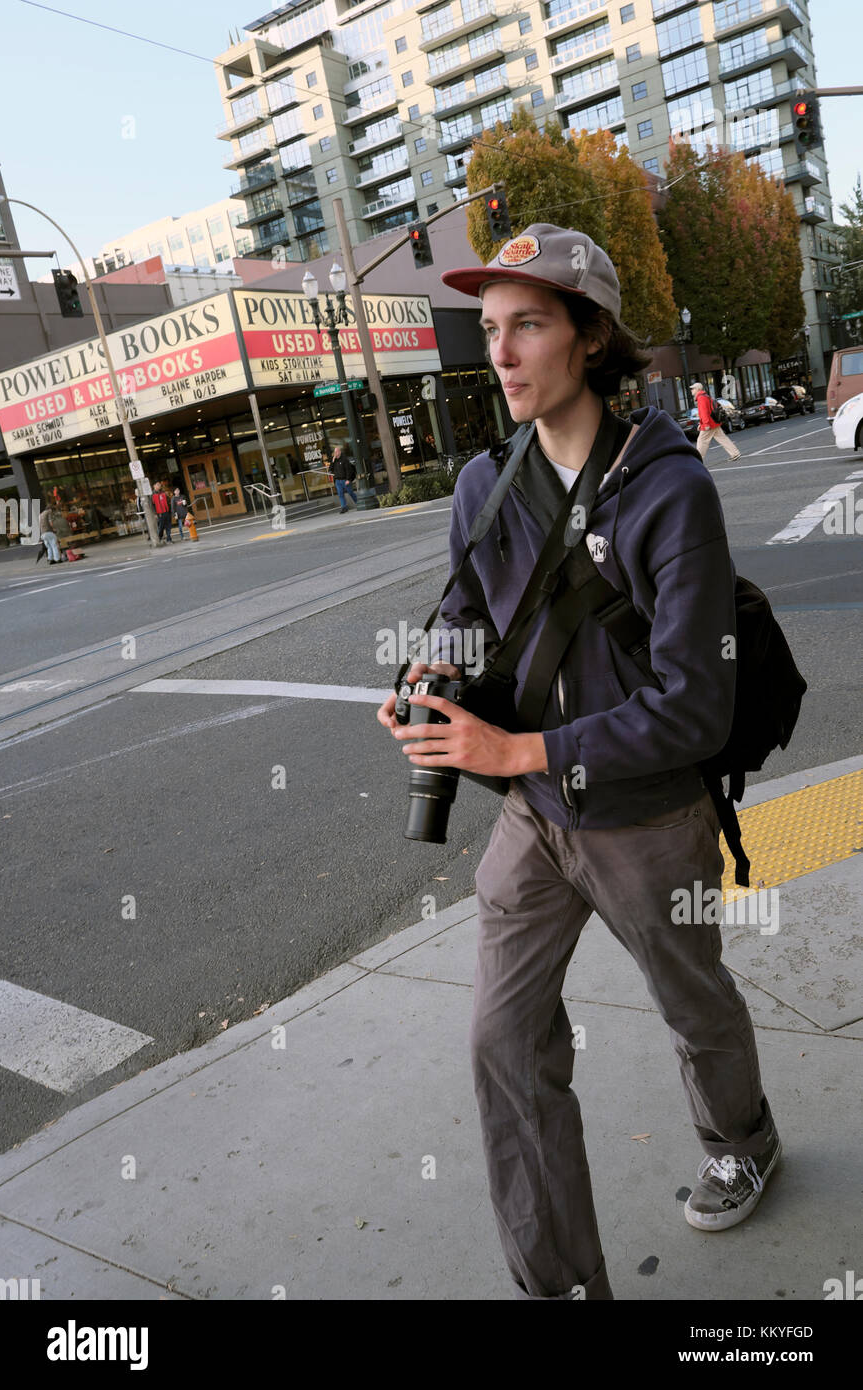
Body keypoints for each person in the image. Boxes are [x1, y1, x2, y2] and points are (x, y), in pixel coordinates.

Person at [377, 223, 780, 1302]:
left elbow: (695, 705)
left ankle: (741, 1138)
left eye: (527, 326)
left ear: (590, 337)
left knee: (693, 1005)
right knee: (502, 1048)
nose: (499, 353)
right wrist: (432, 671)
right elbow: (468, 615)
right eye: (491, 329)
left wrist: (517, 743)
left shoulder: (666, 491)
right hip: (533, 819)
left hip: (648, 818)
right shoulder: (483, 482)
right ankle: (559, 1285)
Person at [691, 382, 741, 462]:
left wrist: (705, 424)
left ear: (698, 389)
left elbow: (704, 412)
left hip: (709, 424)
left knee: (701, 441)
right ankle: (735, 453)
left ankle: (697, 460)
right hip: (714, 423)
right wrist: (701, 424)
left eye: (693, 388)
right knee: (723, 439)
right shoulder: (705, 396)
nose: (691, 390)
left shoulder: (701, 398)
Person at [329, 445, 358, 513]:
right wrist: (333, 461)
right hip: (337, 481)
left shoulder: (344, 459)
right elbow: (330, 469)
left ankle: (358, 503)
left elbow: (349, 470)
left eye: (336, 451)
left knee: (350, 492)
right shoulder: (334, 460)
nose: (335, 453)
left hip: (345, 480)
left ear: (339, 452)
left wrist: (348, 479)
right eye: (334, 452)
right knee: (340, 494)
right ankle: (344, 507)